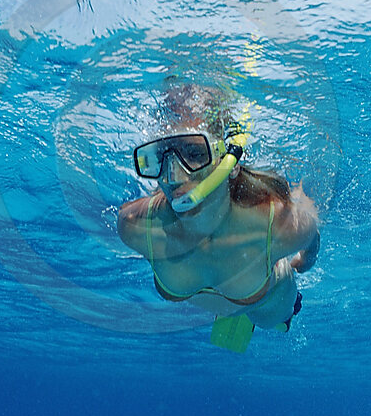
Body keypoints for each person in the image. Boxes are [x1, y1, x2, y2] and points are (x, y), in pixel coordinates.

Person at [117, 85, 320, 349]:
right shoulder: (135, 226)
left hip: (267, 300)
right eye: (161, 158)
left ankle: (288, 309)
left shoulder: (277, 224)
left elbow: (312, 235)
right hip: (241, 290)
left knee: (274, 319)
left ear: (230, 164)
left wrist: (302, 263)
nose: (174, 177)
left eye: (194, 153)